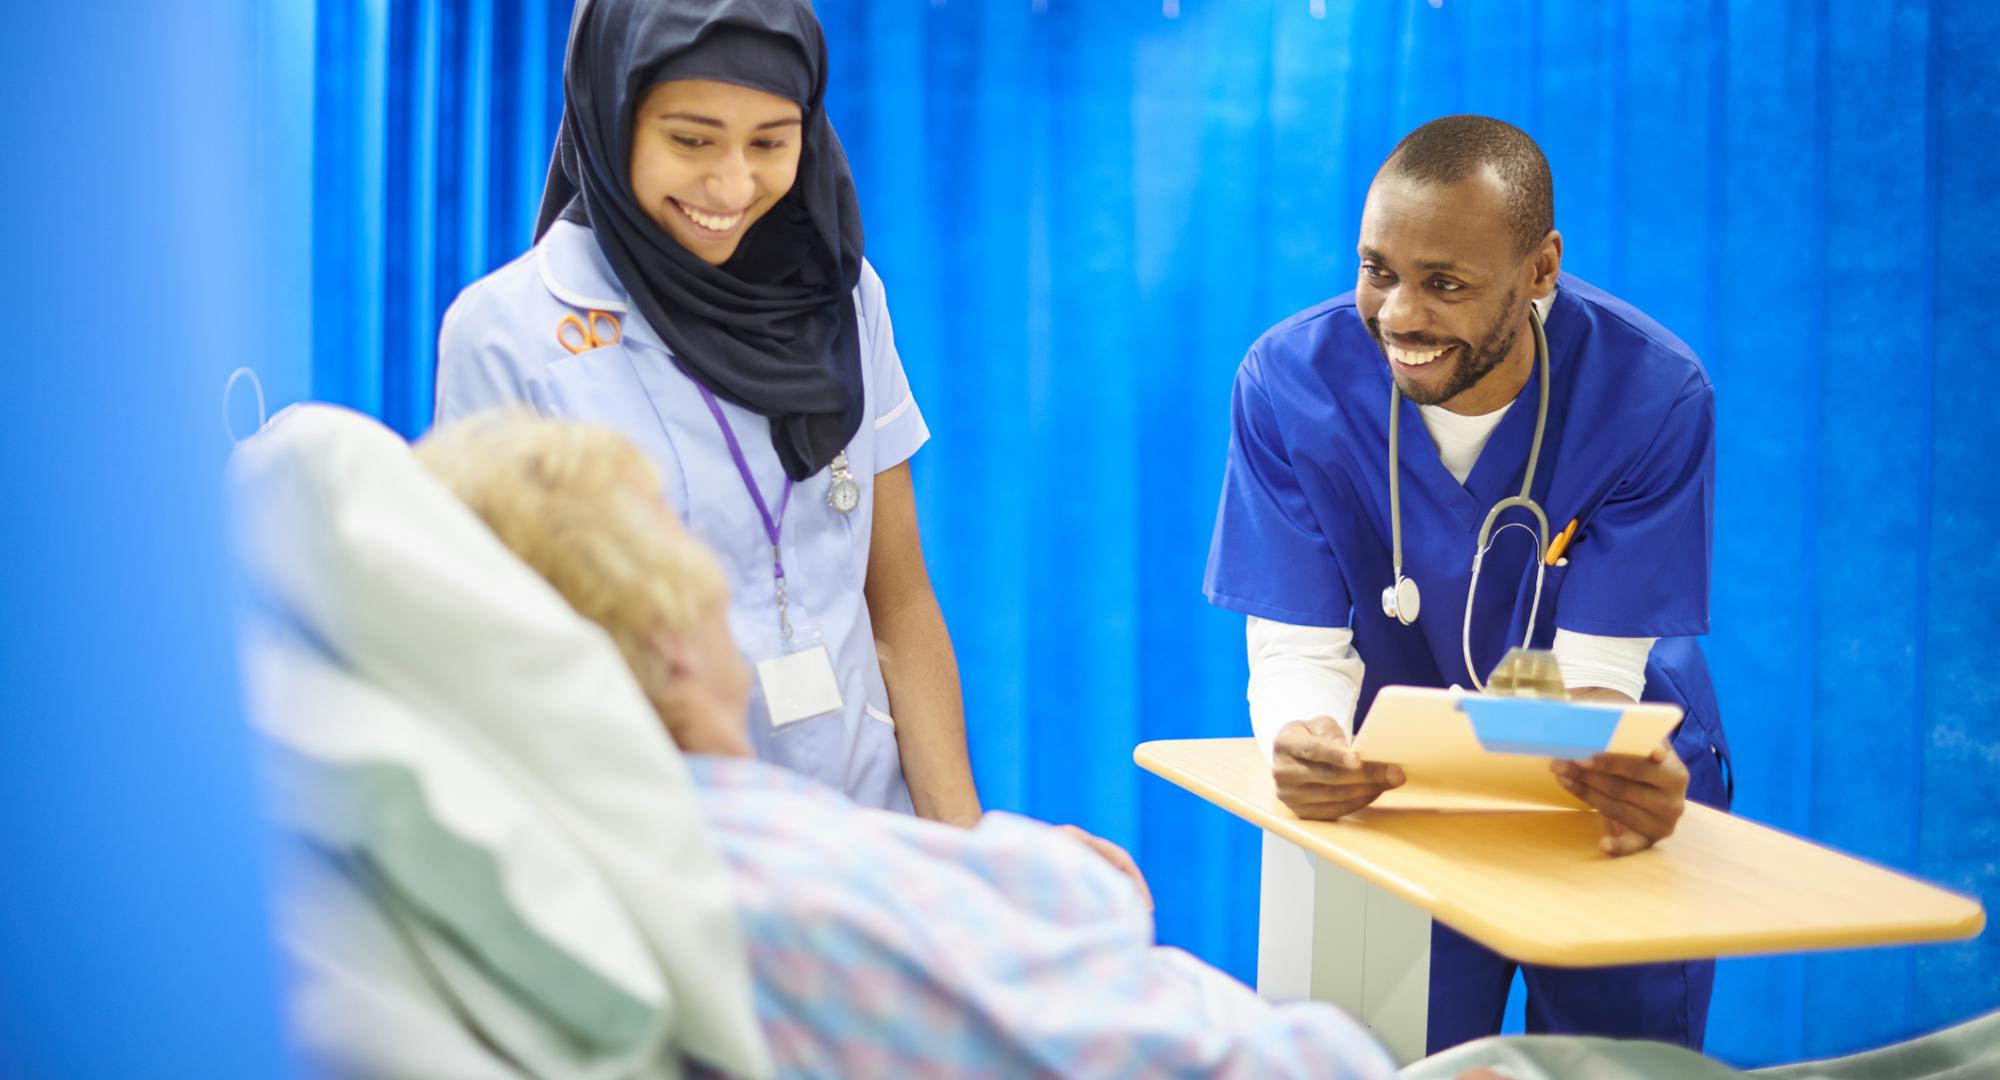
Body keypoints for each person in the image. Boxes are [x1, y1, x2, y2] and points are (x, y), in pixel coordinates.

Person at [414, 411, 1389, 1078]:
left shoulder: (582, 854)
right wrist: (1044, 892)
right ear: (670, 643)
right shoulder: (781, 888)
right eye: (694, 562)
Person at [1204, 115, 1732, 1052]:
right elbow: (1296, 644)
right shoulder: (1291, 384)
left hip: (1598, 783)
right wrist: (1304, 741)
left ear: (1539, 270)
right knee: (1394, 1054)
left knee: (1608, 1068)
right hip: (1397, 790)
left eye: (1445, 283)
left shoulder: (1649, 394)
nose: (1400, 316)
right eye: (1378, 271)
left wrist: (1609, 761)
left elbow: (1598, 682)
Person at [434, 0, 977, 824]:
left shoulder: (845, 298)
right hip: (661, 855)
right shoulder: (512, 332)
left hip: (868, 839)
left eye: (770, 142)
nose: (731, 186)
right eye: (691, 140)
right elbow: (497, 665)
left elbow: (898, 605)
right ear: (611, 119)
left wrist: (967, 867)